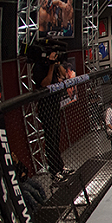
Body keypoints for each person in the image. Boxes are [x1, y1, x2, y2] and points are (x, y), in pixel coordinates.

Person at [31, 51, 73, 182]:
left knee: (56, 138)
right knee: (51, 140)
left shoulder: (53, 65)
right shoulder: (38, 67)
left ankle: (60, 167)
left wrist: (56, 63)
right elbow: (45, 83)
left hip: (55, 106)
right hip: (46, 107)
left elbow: (62, 74)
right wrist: (50, 66)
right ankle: (54, 171)